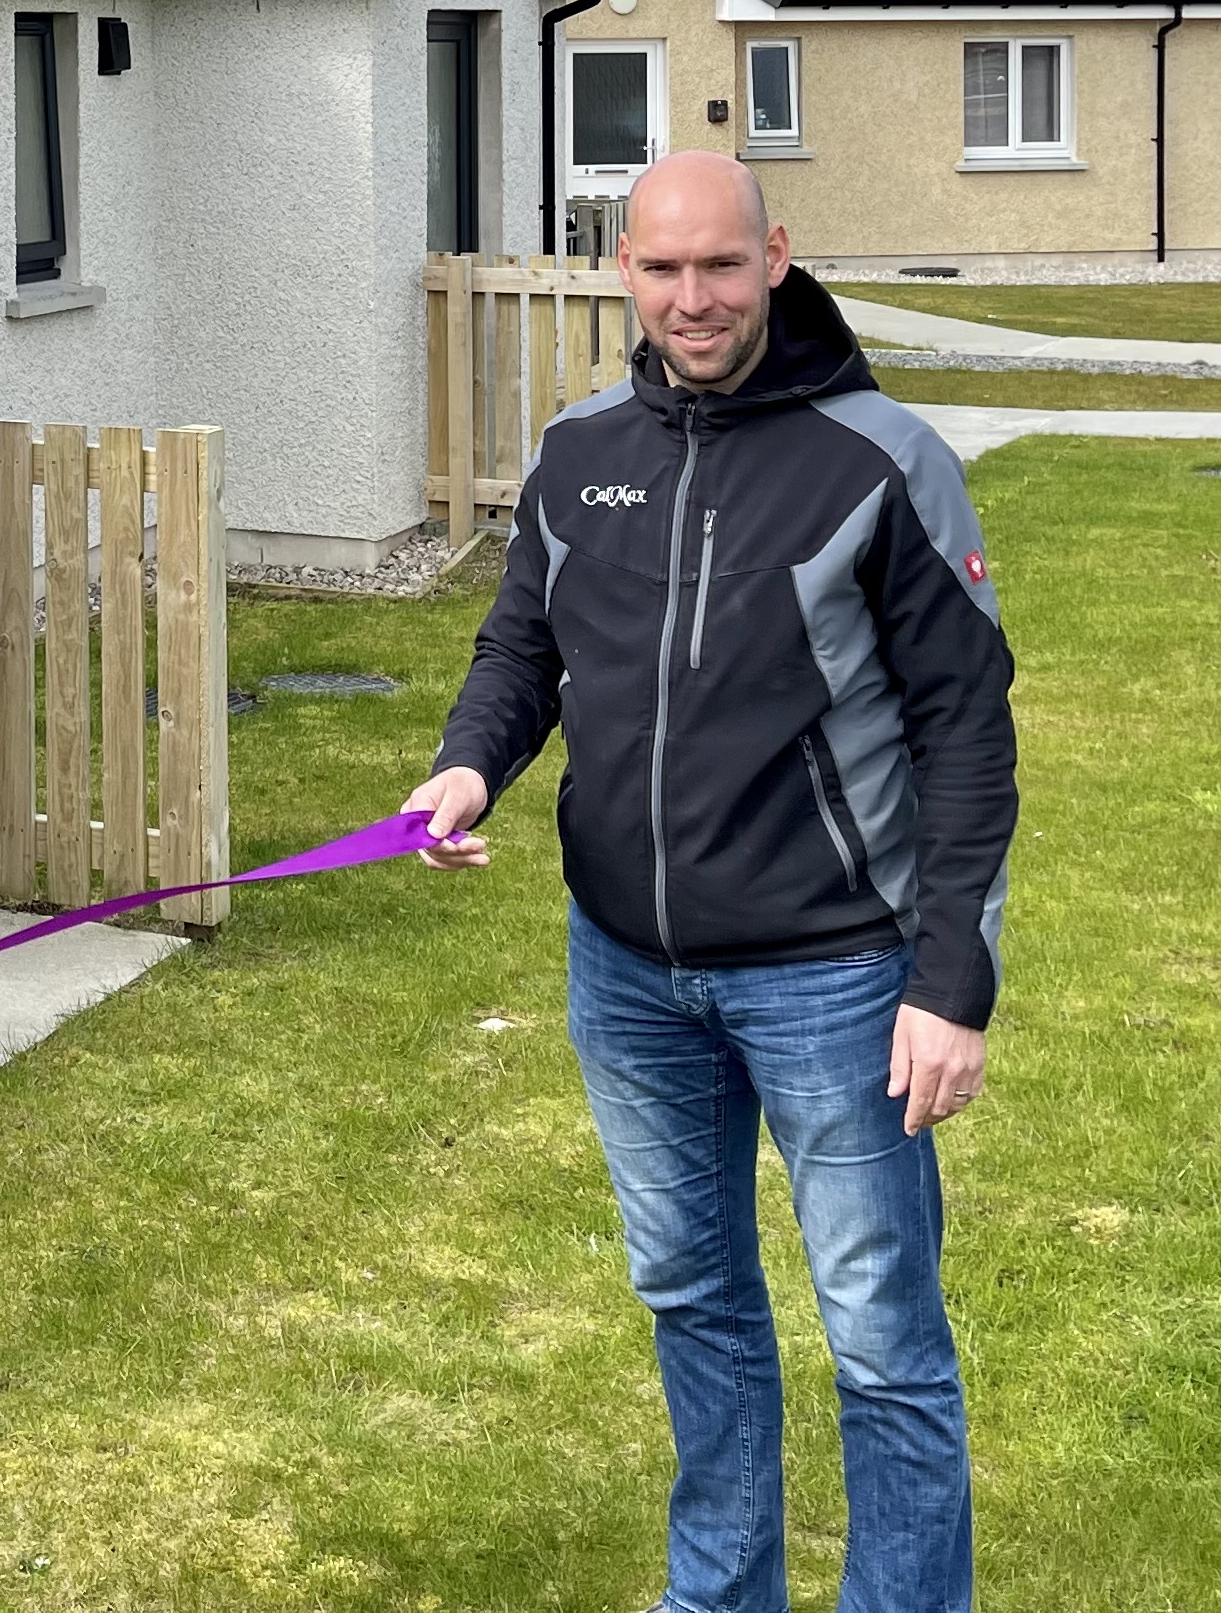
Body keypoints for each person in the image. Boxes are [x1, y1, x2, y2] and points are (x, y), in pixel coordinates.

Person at [399, 152, 1017, 1613]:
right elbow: (520, 648)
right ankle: (722, 1592)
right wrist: (469, 765)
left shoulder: (879, 459)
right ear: (625, 270)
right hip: (629, 973)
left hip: (837, 976)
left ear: (777, 256)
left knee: (880, 1337)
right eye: (663, 269)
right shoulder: (579, 448)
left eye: (721, 267)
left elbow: (967, 739)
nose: (694, 299)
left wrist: (952, 984)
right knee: (692, 1301)